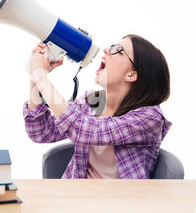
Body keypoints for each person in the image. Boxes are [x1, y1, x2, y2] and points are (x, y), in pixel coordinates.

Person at [23, 34, 172, 179]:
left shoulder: (148, 118)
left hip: (121, 202)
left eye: (118, 50)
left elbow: (80, 129)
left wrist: (40, 75)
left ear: (131, 75)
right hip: (76, 197)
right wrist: (35, 76)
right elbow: (41, 132)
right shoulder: (96, 101)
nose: (106, 49)